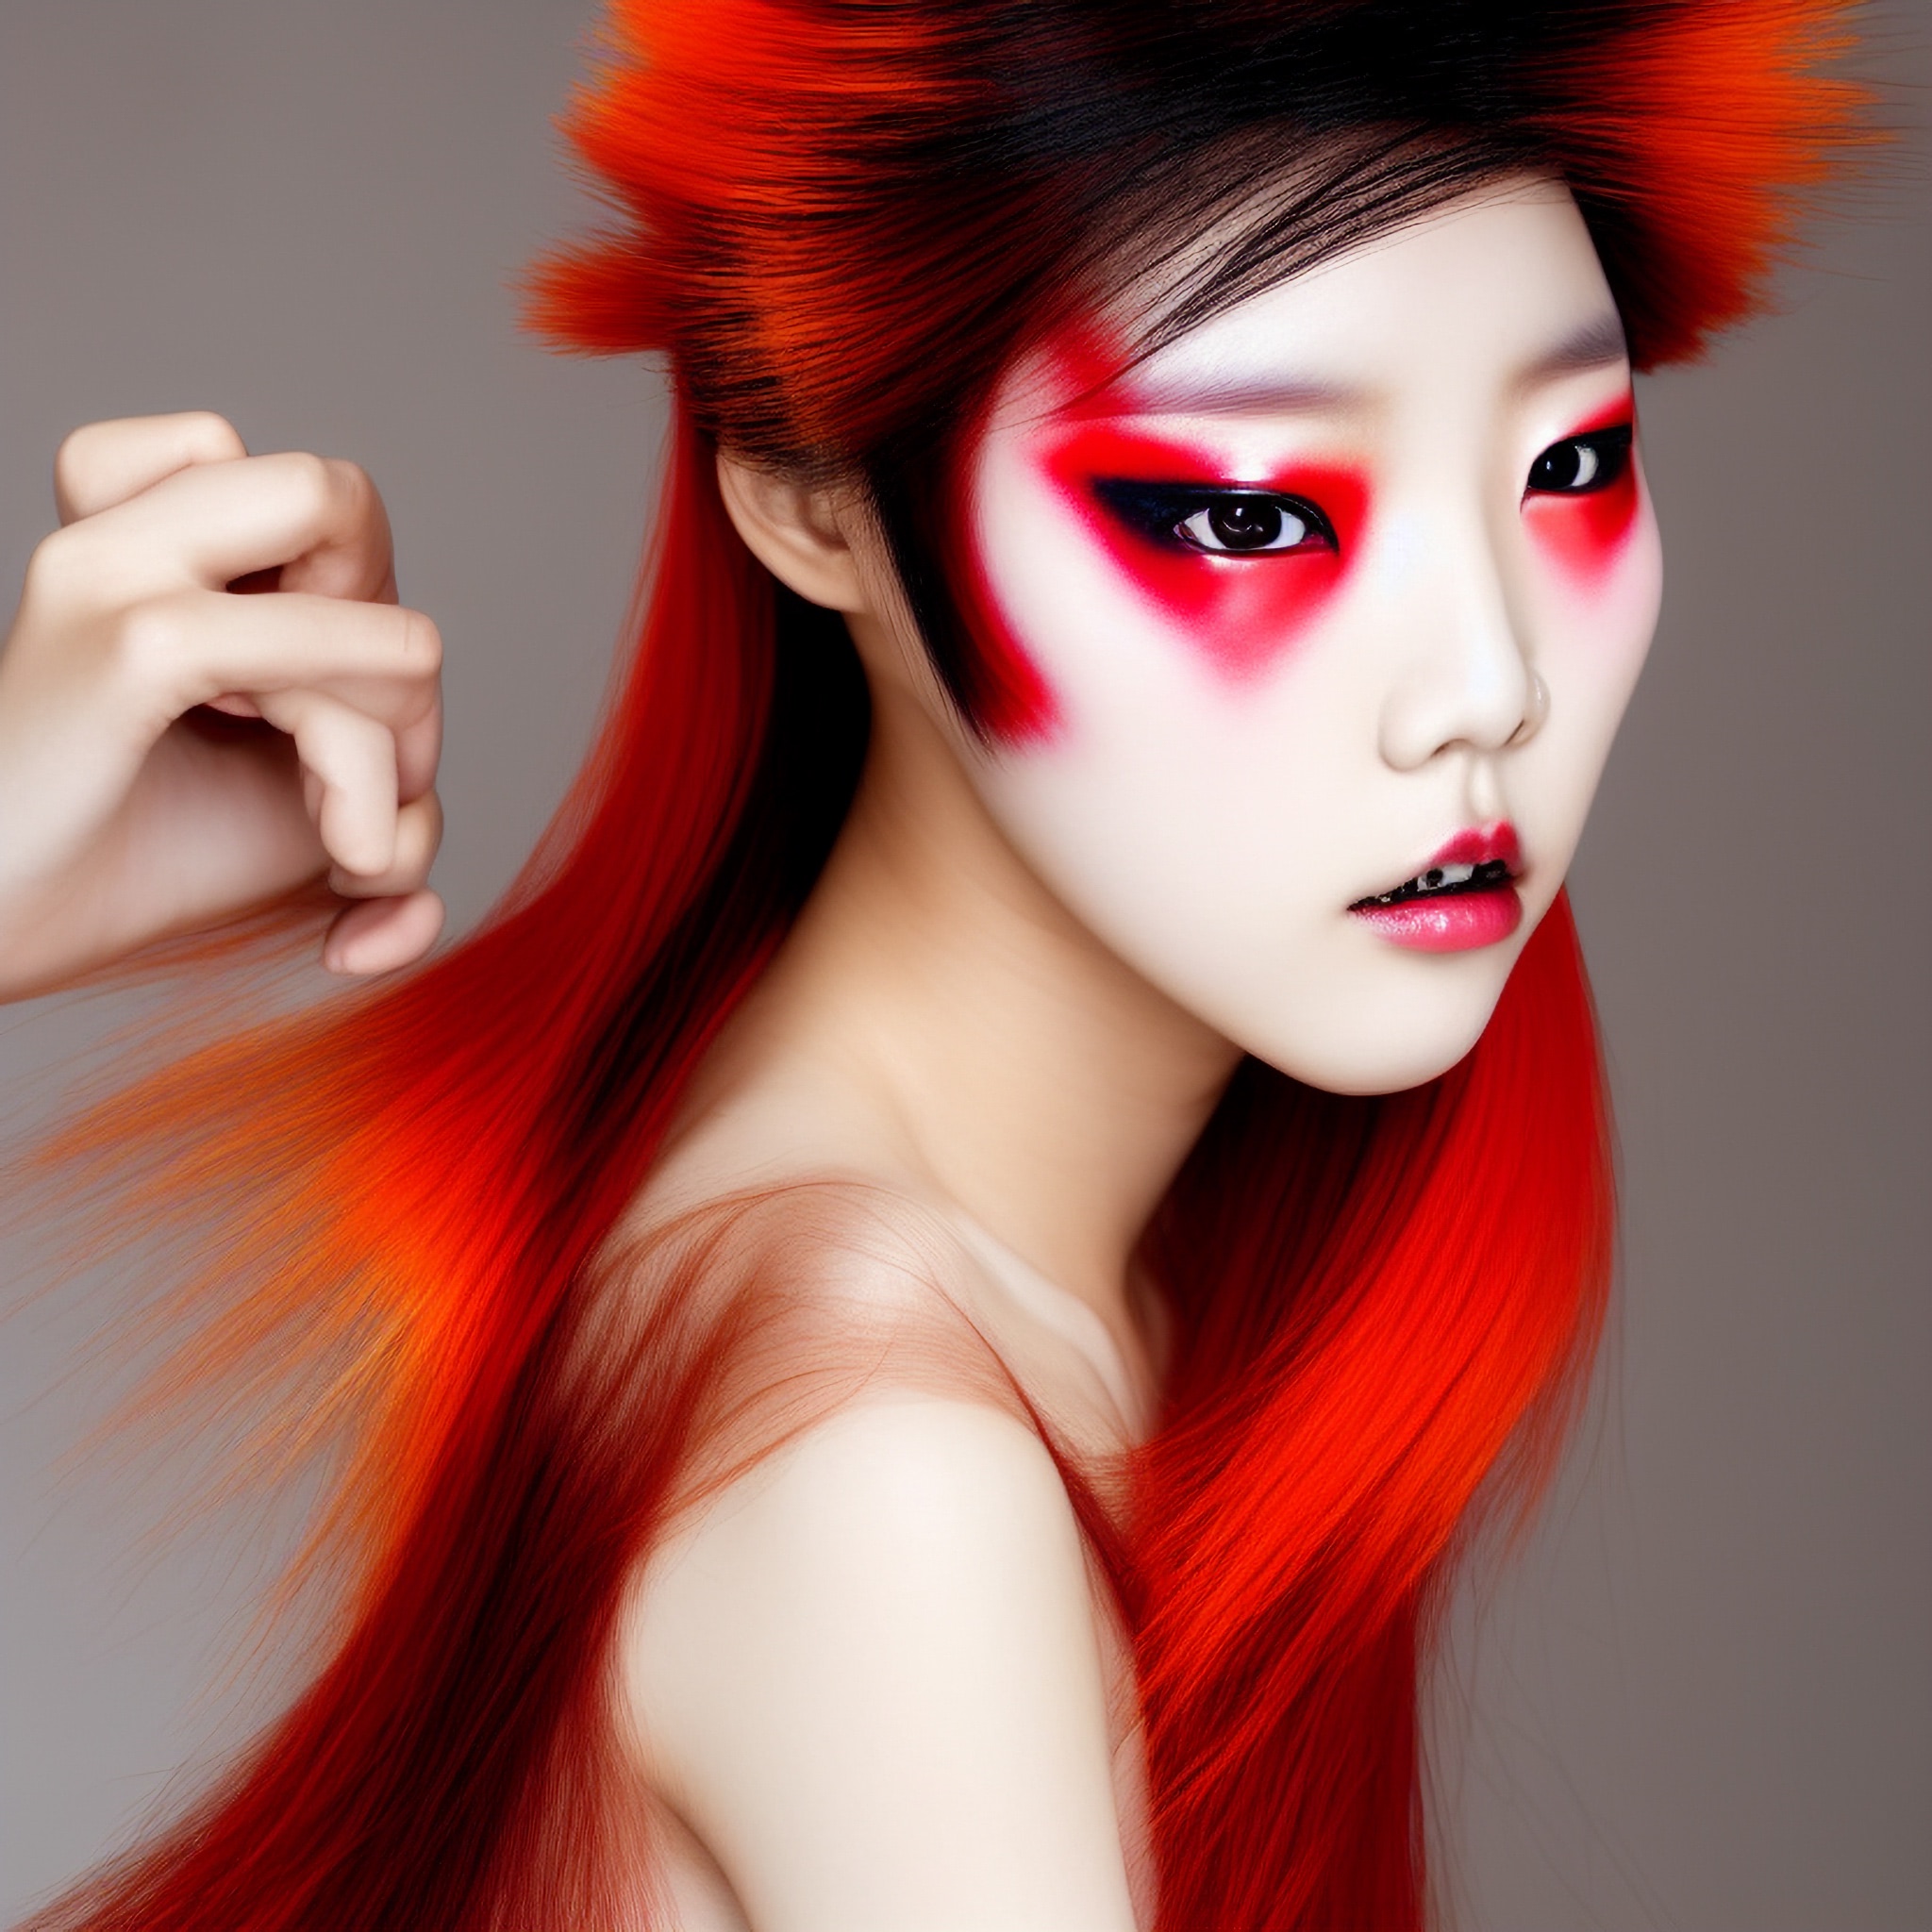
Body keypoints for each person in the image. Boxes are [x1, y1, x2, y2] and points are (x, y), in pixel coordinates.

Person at [0, 2, 1865, 1927]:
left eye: (1567, 470)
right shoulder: (894, 1477)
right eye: (1245, 511)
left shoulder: (982, 1294)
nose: (1489, 679)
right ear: (810, 491)